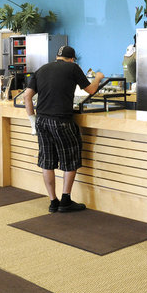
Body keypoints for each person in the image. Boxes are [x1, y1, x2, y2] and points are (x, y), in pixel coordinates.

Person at [23, 45, 103, 213]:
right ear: (72, 58)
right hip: (61, 120)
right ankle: (65, 200)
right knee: (70, 157)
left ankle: (53, 202)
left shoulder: (42, 69)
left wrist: (32, 121)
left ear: (57, 57)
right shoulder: (73, 68)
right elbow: (91, 90)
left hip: (42, 121)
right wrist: (98, 78)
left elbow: (26, 96)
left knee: (47, 161)